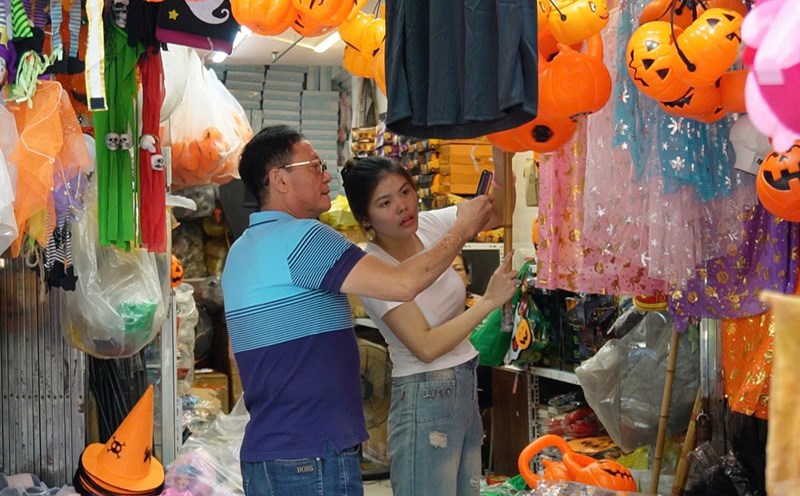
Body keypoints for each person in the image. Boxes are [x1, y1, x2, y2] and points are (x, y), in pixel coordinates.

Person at [221, 125, 494, 496]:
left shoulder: (241, 250)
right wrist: (463, 231)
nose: (327, 175)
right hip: (313, 453)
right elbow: (403, 284)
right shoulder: (304, 238)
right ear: (279, 180)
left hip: (270, 452)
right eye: (315, 165)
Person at [342, 155, 517, 495]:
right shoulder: (374, 267)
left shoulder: (428, 225)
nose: (403, 207)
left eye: (405, 191)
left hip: (464, 383)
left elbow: (497, 212)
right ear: (366, 219)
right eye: (385, 202)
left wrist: (502, 150)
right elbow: (425, 346)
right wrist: (488, 302)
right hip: (425, 392)